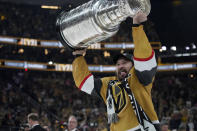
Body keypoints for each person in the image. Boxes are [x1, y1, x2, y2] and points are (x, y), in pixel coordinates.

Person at [72, 12, 160, 131]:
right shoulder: (108, 84)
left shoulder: (139, 77)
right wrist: (78, 57)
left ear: (134, 65)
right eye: (118, 64)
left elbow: (145, 59)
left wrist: (137, 27)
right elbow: (84, 82)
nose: (120, 66)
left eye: (124, 63)